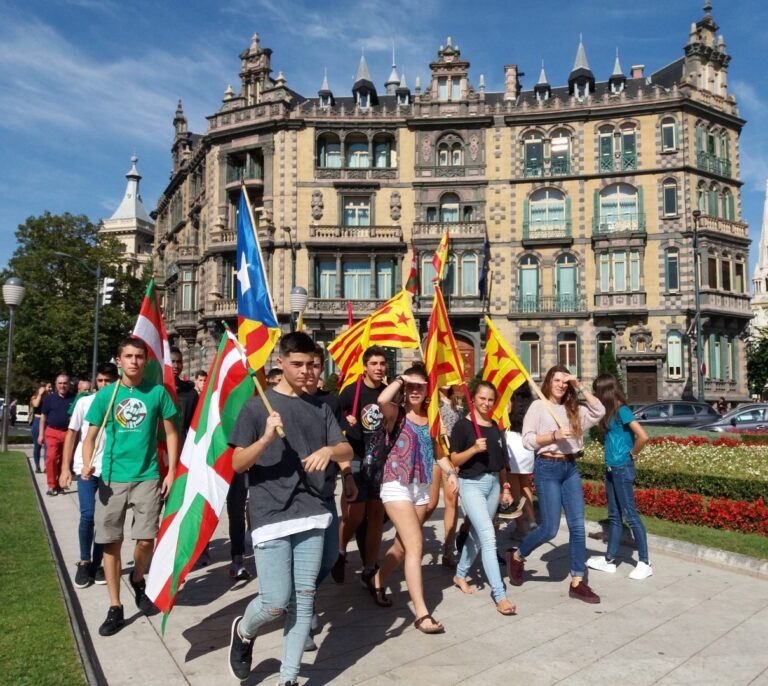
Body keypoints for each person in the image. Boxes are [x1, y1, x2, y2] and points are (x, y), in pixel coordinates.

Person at [226, 332, 352, 684]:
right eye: (296, 364)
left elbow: (346, 451)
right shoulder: (257, 407)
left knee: (305, 599)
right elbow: (237, 464)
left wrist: (330, 451)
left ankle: (289, 677)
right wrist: (266, 438)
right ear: (279, 363)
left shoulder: (321, 407)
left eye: (310, 365)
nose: (305, 372)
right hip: (270, 514)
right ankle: (244, 631)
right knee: (275, 601)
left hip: (312, 510)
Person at [82, 337, 179, 636]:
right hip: (111, 478)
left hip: (148, 476)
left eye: (139, 356)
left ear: (145, 361)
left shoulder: (157, 393)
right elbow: (90, 437)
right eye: (129, 356)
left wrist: (172, 470)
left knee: (146, 539)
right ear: (119, 360)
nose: (134, 361)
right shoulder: (106, 396)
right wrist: (87, 463)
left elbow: (172, 434)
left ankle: (138, 577)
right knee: (111, 542)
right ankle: (115, 605)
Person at [371, 365, 459, 633]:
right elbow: (382, 400)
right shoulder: (395, 414)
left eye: (420, 386)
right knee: (416, 546)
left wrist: (450, 471)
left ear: (427, 390)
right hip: (395, 484)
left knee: (401, 548)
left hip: (420, 488)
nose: (414, 391)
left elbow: (437, 453)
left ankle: (376, 579)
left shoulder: (432, 419)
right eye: (411, 386)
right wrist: (401, 379)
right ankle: (421, 614)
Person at [508, 366, 605, 604]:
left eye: (565, 381)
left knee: (577, 526)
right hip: (547, 468)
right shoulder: (538, 406)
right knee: (550, 528)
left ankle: (578, 581)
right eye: (557, 380)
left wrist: (579, 385)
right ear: (548, 382)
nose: (561, 384)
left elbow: (600, 410)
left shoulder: (575, 409)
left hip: (570, 467)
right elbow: (528, 440)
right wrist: (553, 436)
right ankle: (518, 556)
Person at [302, 344, 356, 651]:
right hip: (293, 498)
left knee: (330, 557)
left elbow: (340, 444)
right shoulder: (280, 403)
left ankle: (301, 598)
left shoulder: (330, 403)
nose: (309, 372)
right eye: (304, 365)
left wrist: (347, 475)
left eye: (315, 366)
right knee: (306, 564)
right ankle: (304, 616)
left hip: (324, 491)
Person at [451, 381, 517, 616]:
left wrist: (505, 488)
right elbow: (454, 460)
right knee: (489, 537)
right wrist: (473, 450)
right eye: (482, 398)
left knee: (478, 537)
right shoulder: (462, 427)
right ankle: (500, 595)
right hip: (471, 485)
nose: (486, 403)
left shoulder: (495, 428)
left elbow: (501, 465)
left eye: (490, 399)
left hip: (493, 485)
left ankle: (459, 575)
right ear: (474, 399)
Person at [332, 346, 388, 587]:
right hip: (355, 457)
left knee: (376, 514)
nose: (378, 368)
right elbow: (333, 417)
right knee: (354, 515)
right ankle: (341, 552)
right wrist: (347, 420)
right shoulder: (352, 391)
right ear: (365, 366)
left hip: (379, 461)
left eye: (382, 363)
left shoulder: (387, 393)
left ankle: (369, 567)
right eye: (374, 363)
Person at [59, 362, 119, 589]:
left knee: (105, 520)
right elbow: (72, 434)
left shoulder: (120, 404)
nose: (104, 385)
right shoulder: (84, 403)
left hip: (111, 470)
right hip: (86, 468)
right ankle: (85, 561)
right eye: (101, 380)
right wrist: (65, 468)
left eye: (109, 381)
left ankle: (98, 562)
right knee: (88, 514)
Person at [587, 373, 652, 580]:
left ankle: (645, 562)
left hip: (622, 468)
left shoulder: (622, 410)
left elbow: (643, 436)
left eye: (598, 391)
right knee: (615, 517)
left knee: (631, 516)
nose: (596, 395)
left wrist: (631, 455)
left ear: (605, 391)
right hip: (611, 469)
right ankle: (609, 560)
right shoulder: (610, 412)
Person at [434, 385, 463, 567]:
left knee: (452, 501)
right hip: (433, 455)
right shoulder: (431, 402)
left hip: (450, 457)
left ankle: (448, 549)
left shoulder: (457, 403)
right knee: (430, 503)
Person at [504, 386, 537, 537]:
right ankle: (532, 521)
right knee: (526, 485)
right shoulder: (532, 403)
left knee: (515, 490)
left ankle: (520, 528)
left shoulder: (508, 400)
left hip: (512, 442)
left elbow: (503, 419)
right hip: (526, 444)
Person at [39, 374, 74, 496]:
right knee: (52, 458)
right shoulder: (49, 399)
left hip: (68, 433)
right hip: (52, 432)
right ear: (56, 384)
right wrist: (40, 434)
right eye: (60, 383)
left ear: (69, 385)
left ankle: (61, 483)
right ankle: (52, 485)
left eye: (65, 383)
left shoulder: (74, 399)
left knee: (65, 460)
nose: (62, 386)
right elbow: (43, 417)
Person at [170, 346, 198, 441]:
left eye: (179, 362)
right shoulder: (156, 390)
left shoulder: (191, 393)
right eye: (172, 361)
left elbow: (194, 424)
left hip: (181, 443)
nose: (176, 366)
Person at [30, 384, 49, 472]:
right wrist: (40, 395)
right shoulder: (34, 397)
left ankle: (46, 466)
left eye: (50, 387)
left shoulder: (50, 398)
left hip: (48, 422)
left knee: (47, 446)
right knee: (37, 446)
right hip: (38, 420)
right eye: (47, 387)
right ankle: (37, 466)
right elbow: (36, 405)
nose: (48, 388)